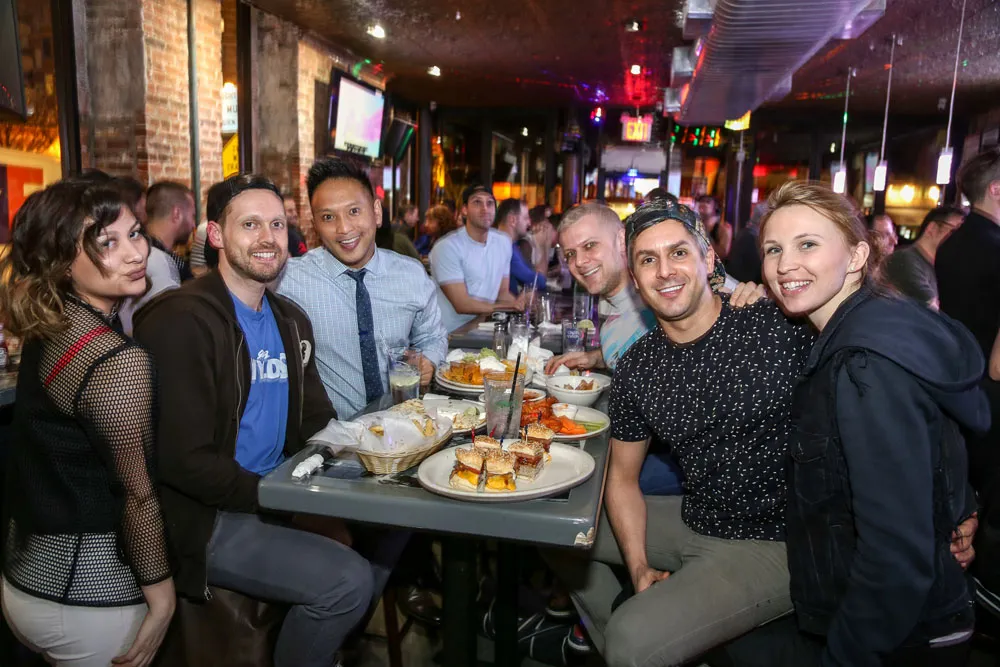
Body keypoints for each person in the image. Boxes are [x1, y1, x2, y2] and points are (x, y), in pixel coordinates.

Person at [551, 198, 813, 667]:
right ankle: (650, 639)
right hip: (696, 516)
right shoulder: (638, 365)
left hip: (774, 540)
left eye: (678, 253)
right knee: (553, 528)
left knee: (631, 639)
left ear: (708, 259)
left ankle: (649, 642)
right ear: (634, 278)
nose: (665, 271)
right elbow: (621, 478)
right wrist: (638, 568)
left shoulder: (775, 324)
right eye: (647, 260)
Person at [133, 174, 374, 667]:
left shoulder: (289, 320)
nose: (268, 238)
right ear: (216, 235)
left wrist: (363, 459)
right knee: (349, 582)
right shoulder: (182, 319)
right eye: (250, 225)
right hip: (208, 518)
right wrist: (283, 500)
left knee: (389, 529)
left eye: (277, 225)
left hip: (273, 492)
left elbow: (317, 419)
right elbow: (185, 461)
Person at [743, 180, 986, 666]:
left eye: (807, 244)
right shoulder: (880, 321)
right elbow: (938, 436)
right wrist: (959, 502)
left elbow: (894, 557)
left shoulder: (863, 366)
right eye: (773, 249)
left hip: (899, 636)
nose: (784, 265)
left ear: (856, 257)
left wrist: (847, 656)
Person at [0, 178, 175, 666]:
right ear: (61, 262)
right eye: (107, 243)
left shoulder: (52, 323)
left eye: (134, 234)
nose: (135, 253)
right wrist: (163, 599)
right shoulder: (116, 361)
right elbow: (138, 497)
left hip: (26, 583)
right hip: (89, 599)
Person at [277, 157, 448, 419]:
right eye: (328, 217)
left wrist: (430, 360)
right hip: (333, 435)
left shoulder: (411, 275)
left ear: (376, 212)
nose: (344, 228)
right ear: (314, 224)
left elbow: (432, 337)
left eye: (354, 211)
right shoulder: (289, 279)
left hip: (404, 425)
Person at [936, 147, 1000, 492]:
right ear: (996, 189)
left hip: (958, 381)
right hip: (993, 394)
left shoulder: (952, 242)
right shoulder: (994, 247)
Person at [430, 184, 525, 332]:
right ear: (464, 210)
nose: (485, 209)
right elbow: (462, 305)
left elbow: (502, 294)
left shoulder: (503, 242)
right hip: (448, 334)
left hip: (483, 327)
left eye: (490, 203)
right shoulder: (446, 247)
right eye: (477, 202)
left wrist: (522, 304)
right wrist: (510, 307)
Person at [884, 206, 964, 308]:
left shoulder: (941, 268)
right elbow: (932, 309)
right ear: (932, 228)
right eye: (954, 231)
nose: (960, 239)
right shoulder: (905, 259)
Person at [144, 181, 196, 282]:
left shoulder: (140, 252)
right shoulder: (170, 264)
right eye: (192, 216)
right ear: (176, 214)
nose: (193, 225)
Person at [496, 198, 547, 294]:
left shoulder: (511, 244)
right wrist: (542, 245)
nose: (529, 223)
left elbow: (530, 273)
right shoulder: (503, 247)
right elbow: (538, 282)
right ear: (512, 220)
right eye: (526, 218)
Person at [696, 194, 733, 260]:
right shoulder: (695, 224)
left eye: (707, 202)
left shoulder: (724, 228)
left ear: (715, 206)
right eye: (701, 201)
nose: (703, 204)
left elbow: (723, 253)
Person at [282, 193, 309, 257]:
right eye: (290, 211)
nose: (295, 214)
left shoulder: (295, 232)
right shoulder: (290, 235)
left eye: (295, 210)